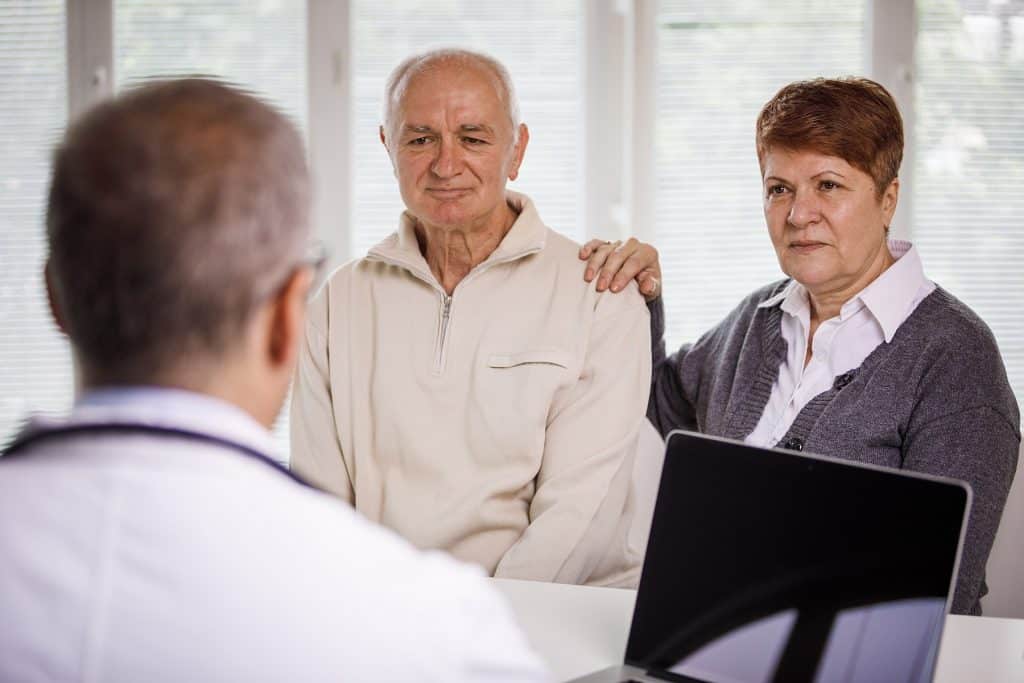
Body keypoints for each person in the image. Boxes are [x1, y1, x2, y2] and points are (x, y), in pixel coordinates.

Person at [0, 79, 547, 681]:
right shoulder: (437, 628)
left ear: (55, 297)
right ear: (291, 313)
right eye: (421, 138)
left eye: (472, 137)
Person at [580, 77, 1019, 615]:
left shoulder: (955, 356)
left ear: (888, 199)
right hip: (709, 637)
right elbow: (652, 402)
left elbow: (937, 591)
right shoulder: (756, 320)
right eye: (779, 188)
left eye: (828, 185)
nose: (797, 214)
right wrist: (639, 298)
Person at [290, 49, 651, 587]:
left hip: (555, 627)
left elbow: (581, 519)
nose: (445, 164)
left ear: (516, 150)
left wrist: (481, 633)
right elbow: (320, 507)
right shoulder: (335, 303)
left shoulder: (600, 293)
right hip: (384, 620)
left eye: (473, 137)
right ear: (389, 147)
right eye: (420, 139)